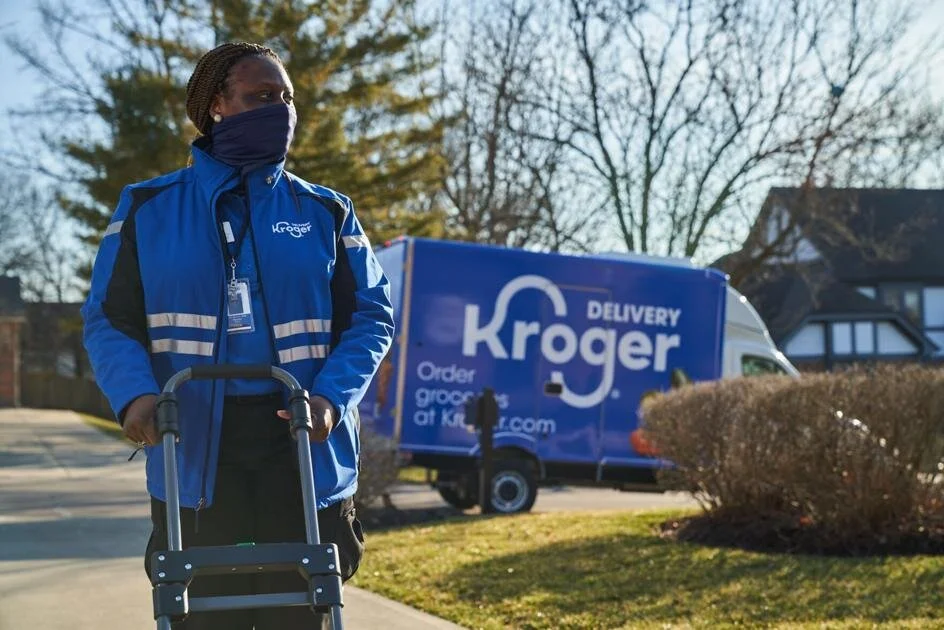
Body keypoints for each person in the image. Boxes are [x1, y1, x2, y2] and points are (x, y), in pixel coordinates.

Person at [81, 41, 395, 629]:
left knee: (299, 607)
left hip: (302, 443)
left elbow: (372, 316)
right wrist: (136, 395)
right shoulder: (148, 208)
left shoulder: (327, 213)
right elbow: (109, 317)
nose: (279, 109)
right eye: (260, 96)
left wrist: (331, 398)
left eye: (286, 98)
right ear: (217, 106)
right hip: (194, 441)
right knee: (204, 611)